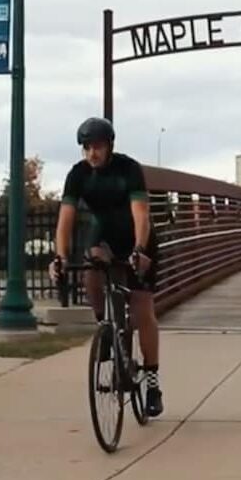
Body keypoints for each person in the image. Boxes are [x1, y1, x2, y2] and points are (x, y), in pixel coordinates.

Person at [48, 116, 163, 417]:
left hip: (138, 238)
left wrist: (139, 249)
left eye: (97, 147)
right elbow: (65, 221)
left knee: (142, 310)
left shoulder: (128, 169)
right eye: (86, 148)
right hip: (104, 237)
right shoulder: (78, 174)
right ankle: (107, 327)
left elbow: (140, 214)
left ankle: (152, 383)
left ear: (109, 145)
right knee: (92, 270)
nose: (92, 154)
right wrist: (59, 257)